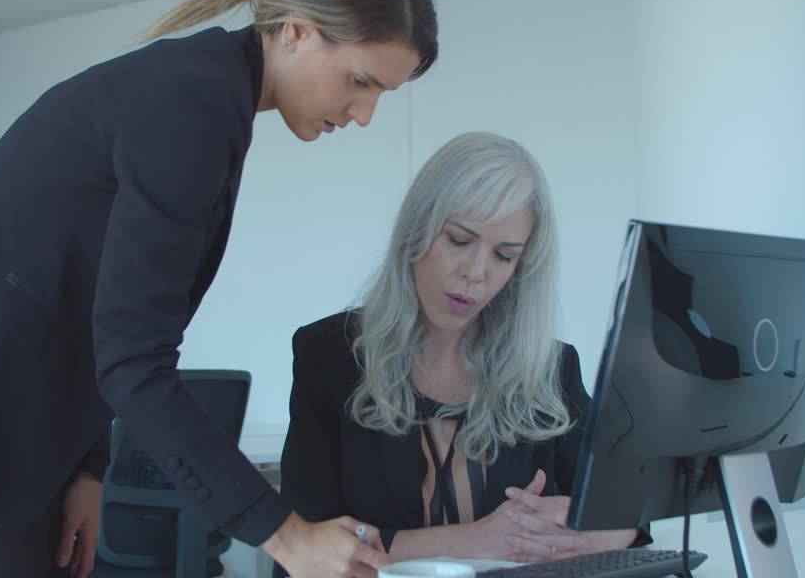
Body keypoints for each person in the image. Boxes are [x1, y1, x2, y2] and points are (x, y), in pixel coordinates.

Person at [0, 0, 436, 578]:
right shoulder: (193, 105)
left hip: (16, 407)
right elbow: (134, 359)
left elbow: (93, 305)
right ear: (295, 31)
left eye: (383, 92)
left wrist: (88, 468)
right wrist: (285, 535)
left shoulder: (210, 93)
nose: (364, 114)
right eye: (361, 81)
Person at [276, 132, 650, 575]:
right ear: (417, 230)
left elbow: (629, 518)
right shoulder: (328, 354)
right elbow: (307, 544)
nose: (476, 273)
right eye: (459, 240)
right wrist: (476, 540)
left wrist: (583, 530)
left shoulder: (550, 368)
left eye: (504, 256)